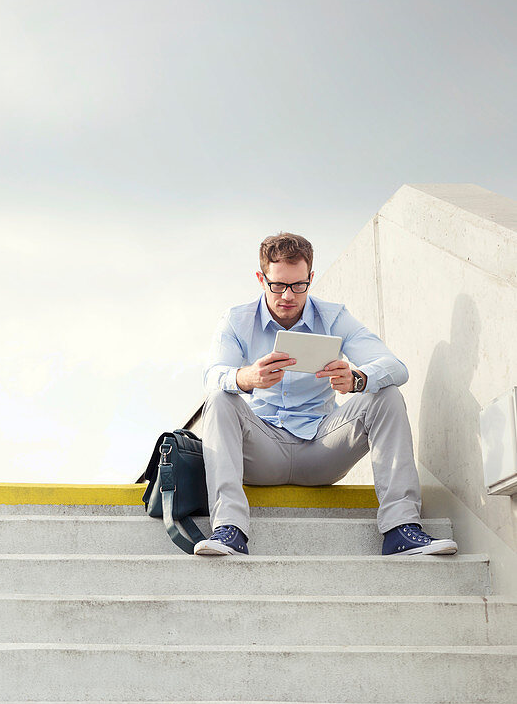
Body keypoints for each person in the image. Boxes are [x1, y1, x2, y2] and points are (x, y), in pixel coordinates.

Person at [193, 232, 457, 557]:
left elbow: (395, 366)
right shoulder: (236, 320)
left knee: (385, 395)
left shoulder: (333, 317)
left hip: (321, 449)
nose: (288, 295)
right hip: (261, 453)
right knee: (220, 397)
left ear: (310, 278)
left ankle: (401, 530)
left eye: (298, 285)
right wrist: (247, 377)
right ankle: (229, 531)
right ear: (262, 278)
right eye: (278, 285)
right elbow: (212, 376)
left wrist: (358, 379)